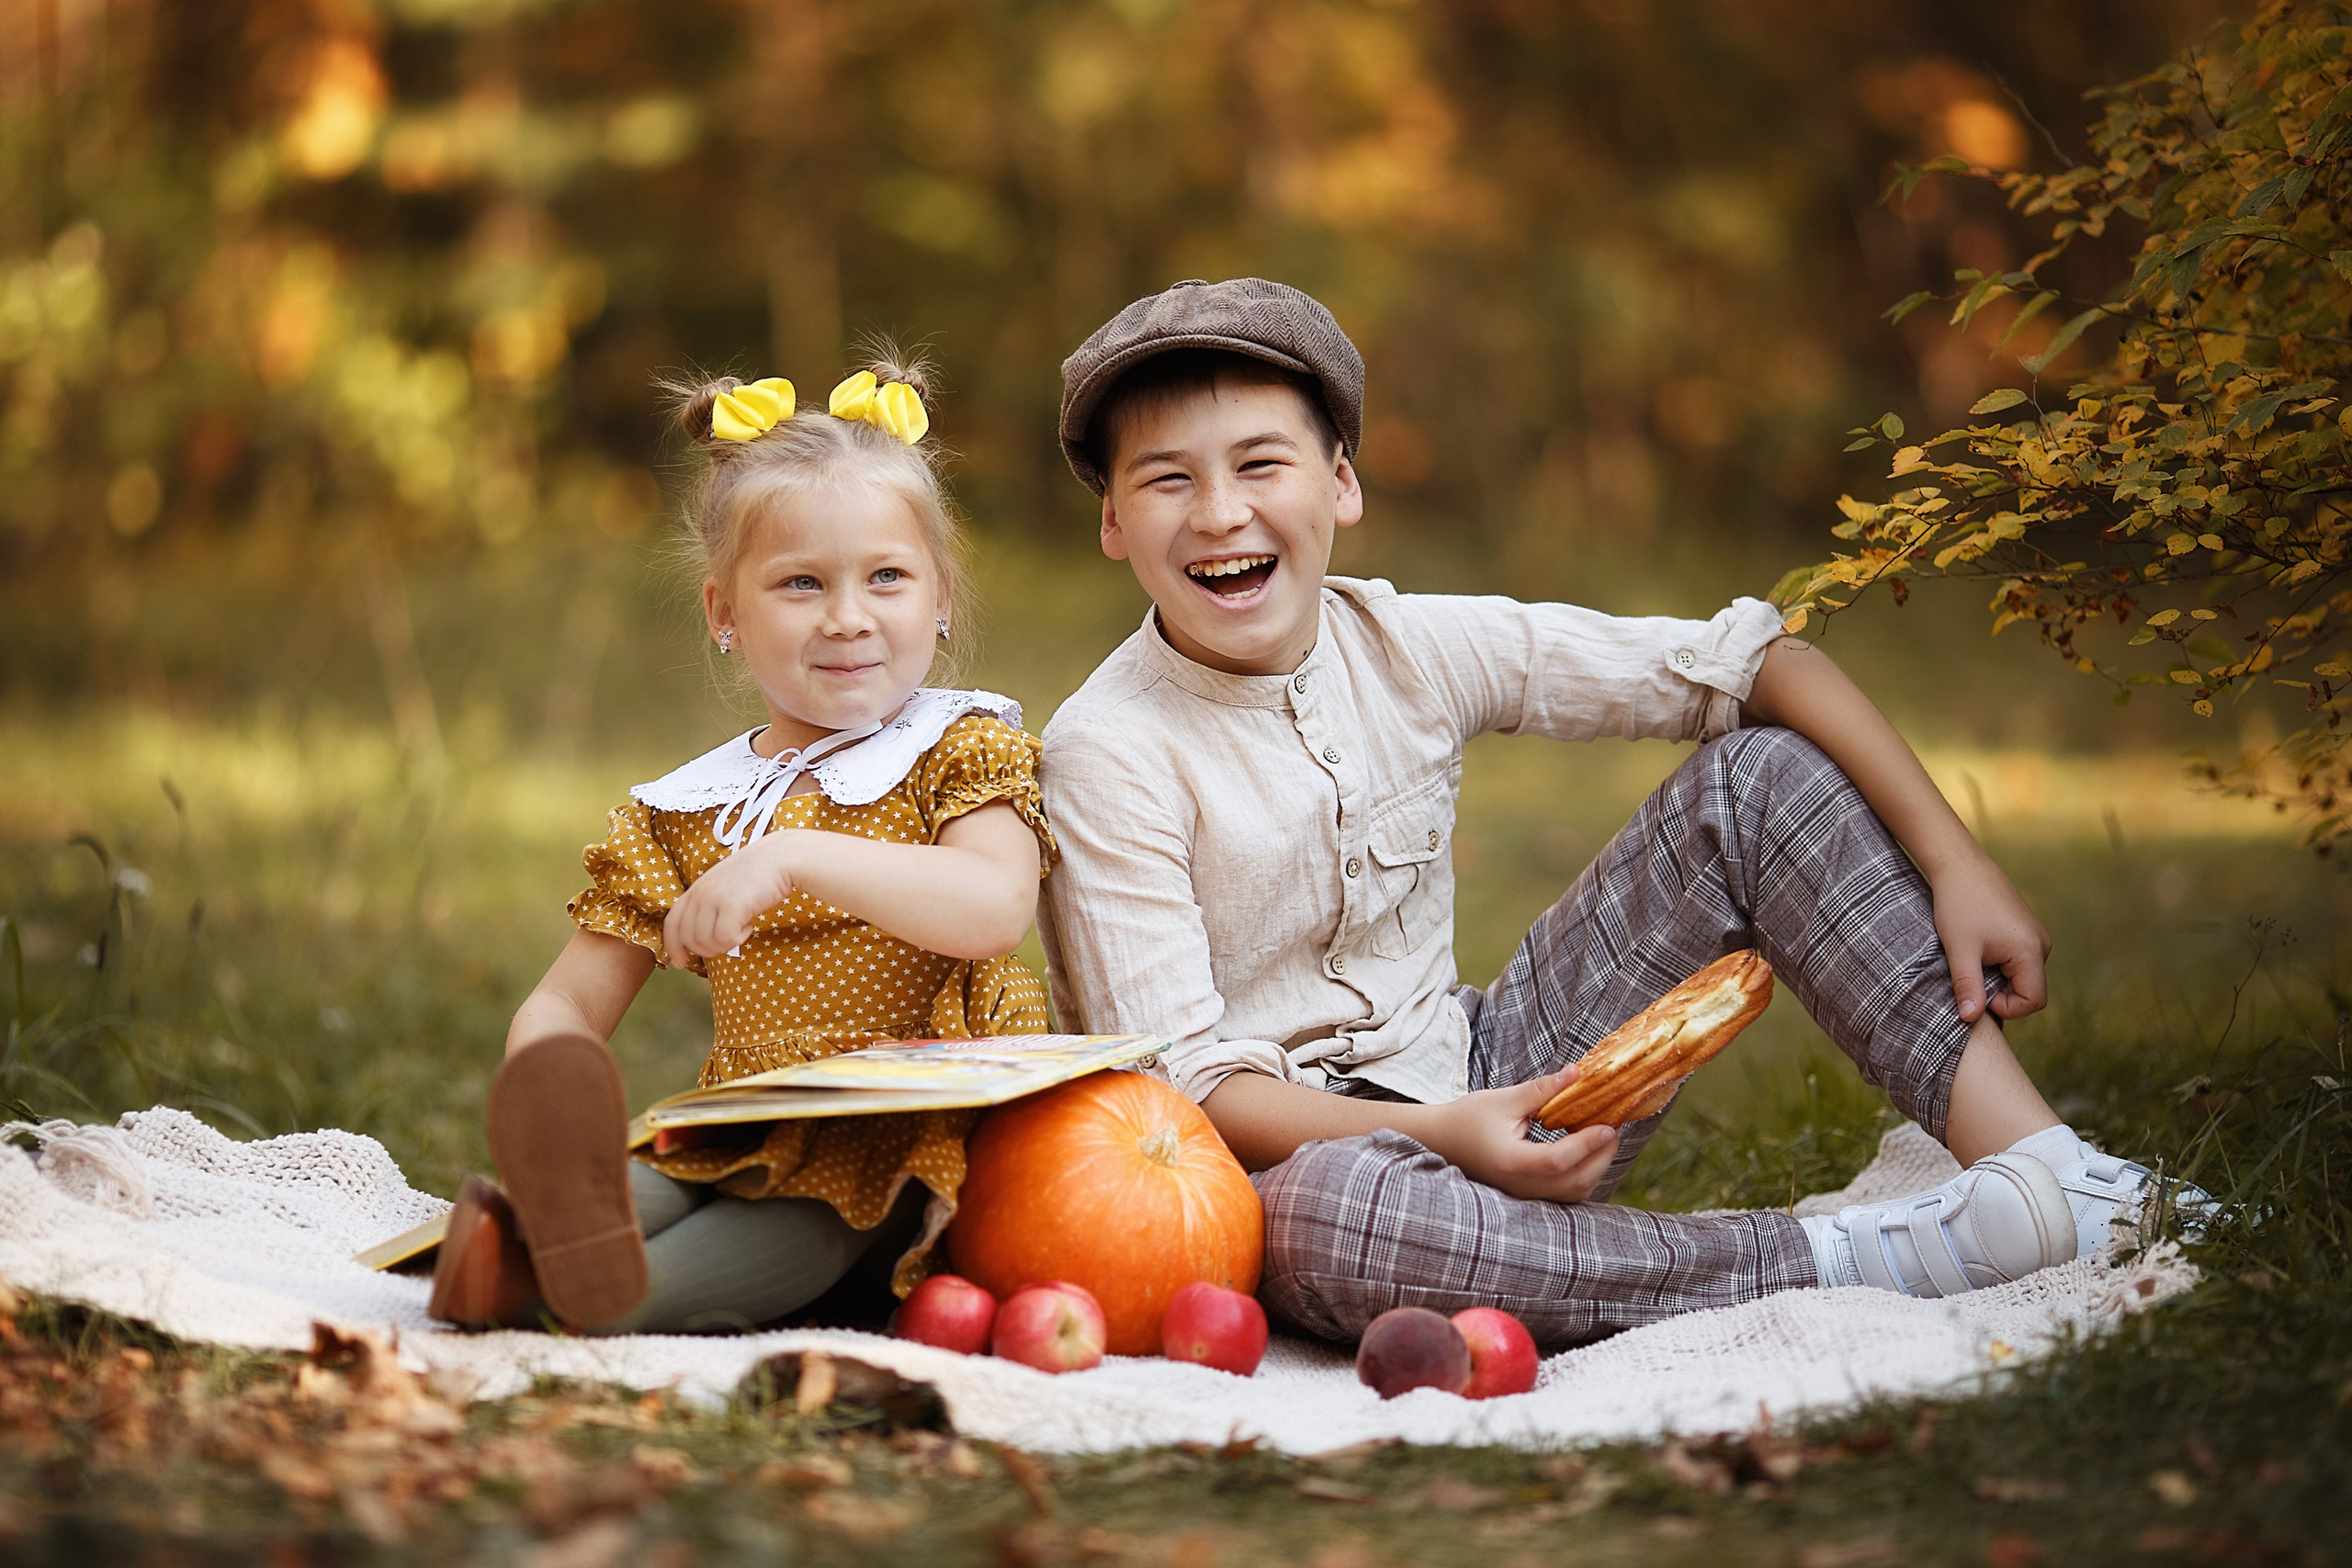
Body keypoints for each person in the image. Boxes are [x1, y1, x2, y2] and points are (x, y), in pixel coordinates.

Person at [1036, 277, 2170, 1347]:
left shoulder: (1412, 645)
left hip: (1492, 1075)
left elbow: (1751, 664)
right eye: (1167, 479)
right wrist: (1440, 1138)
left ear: (1340, 484)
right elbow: (1193, 1091)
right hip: (1283, 1179)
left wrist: (1958, 863)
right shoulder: (1107, 750)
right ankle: (1847, 1255)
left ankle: (2051, 1180)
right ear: (1112, 522)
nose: (1220, 512)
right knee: (1335, 1218)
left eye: (1260, 463)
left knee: (1755, 780)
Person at [427, 352, 1057, 1334]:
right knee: (635, 1195)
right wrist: (552, 1092)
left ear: (940, 595)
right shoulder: (696, 809)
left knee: (766, 1236)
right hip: (744, 1134)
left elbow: (993, 908)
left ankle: (549, 1290)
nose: (847, 617)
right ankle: (535, 1244)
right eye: (801, 583)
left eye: (887, 577)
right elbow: (566, 1000)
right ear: (726, 612)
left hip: (912, 1144)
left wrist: (790, 859)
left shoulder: (959, 749)